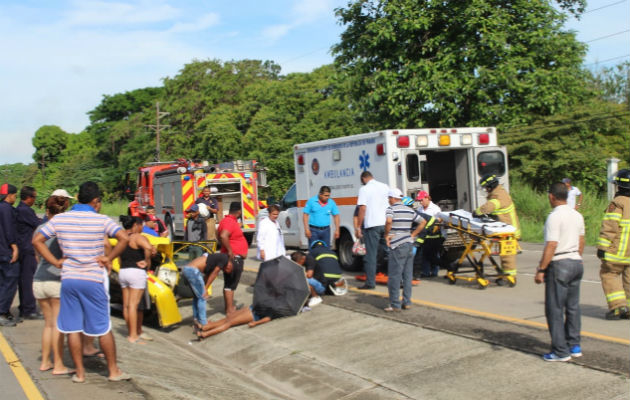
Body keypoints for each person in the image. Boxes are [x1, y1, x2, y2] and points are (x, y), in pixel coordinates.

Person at [32, 181, 131, 383]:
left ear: (77, 198)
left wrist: (55, 261)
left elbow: (37, 240)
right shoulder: (102, 220)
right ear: (96, 201)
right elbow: (124, 238)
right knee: (103, 328)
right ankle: (113, 371)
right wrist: (109, 258)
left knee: (72, 328)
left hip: (69, 279)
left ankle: (79, 373)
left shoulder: (61, 220)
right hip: (92, 279)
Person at [535, 182, 585, 362]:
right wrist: (575, 257)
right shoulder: (577, 215)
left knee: (555, 309)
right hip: (576, 262)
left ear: (551, 196)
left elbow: (552, 244)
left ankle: (560, 351)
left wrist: (541, 268)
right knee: (573, 307)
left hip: (559, 263)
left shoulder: (554, 217)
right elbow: (581, 241)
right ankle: (574, 345)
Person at [32, 194, 74, 374]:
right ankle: (58, 364)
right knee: (58, 325)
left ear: (47, 211)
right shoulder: (63, 229)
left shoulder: (40, 229)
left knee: (48, 324)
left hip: (38, 280)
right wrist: (58, 263)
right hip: (56, 280)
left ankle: (45, 362)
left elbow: (37, 256)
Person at [384, 188, 425, 312]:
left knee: (395, 276)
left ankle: (395, 304)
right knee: (407, 275)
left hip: (397, 245)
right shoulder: (409, 210)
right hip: (409, 244)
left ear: (392, 198)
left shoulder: (391, 209)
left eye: (389, 198)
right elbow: (423, 222)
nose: (388, 200)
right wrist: (413, 235)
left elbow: (388, 221)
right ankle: (407, 302)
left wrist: (387, 234)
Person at [597, 169, 630, 320]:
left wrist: (602, 247)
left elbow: (610, 227)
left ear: (620, 186)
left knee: (608, 274)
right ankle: (628, 309)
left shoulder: (618, 203)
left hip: (616, 252)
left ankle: (617, 307)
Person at [474, 174, 521, 281]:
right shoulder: (499, 192)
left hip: (510, 231)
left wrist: (477, 212)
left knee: (507, 255)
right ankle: (507, 275)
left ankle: (510, 277)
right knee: (505, 253)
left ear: (490, 186)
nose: (485, 190)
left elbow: (489, 206)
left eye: (486, 187)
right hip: (506, 228)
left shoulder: (498, 196)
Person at [118, 216, 154, 344]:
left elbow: (119, 256)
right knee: (134, 305)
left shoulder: (121, 237)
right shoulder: (137, 237)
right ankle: (133, 335)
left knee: (127, 305)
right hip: (136, 272)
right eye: (140, 225)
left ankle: (130, 331)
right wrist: (146, 261)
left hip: (123, 271)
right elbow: (149, 248)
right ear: (135, 225)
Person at [356, 171, 390, 290]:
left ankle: (370, 283)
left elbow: (362, 208)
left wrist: (358, 226)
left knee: (371, 255)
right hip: (386, 223)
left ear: (364, 179)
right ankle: (397, 279)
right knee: (388, 252)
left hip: (372, 225)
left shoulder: (364, 189)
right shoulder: (385, 186)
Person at [16, 186, 43, 320]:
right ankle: (29, 309)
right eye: (34, 197)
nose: (34, 200)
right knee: (28, 280)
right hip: (27, 249)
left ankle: (25, 307)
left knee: (23, 279)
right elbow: (39, 224)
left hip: (22, 248)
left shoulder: (20, 210)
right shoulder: (25, 211)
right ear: (29, 198)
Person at [217, 202, 249, 313]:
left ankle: (229, 308)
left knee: (228, 284)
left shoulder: (225, 221)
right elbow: (223, 235)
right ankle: (230, 309)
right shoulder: (230, 222)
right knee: (230, 284)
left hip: (232, 257)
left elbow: (218, 235)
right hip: (234, 258)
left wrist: (225, 247)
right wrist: (230, 251)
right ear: (239, 211)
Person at [0, 183, 19, 326]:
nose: (15, 198)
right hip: (6, 251)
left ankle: (4, 311)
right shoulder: (6, 209)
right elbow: (8, 229)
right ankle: (2, 313)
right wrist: (14, 247)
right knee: (10, 281)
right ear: (9, 195)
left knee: (2, 282)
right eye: (15, 195)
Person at [196, 305, 271, 339]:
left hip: (254, 314)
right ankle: (205, 327)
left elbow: (269, 317)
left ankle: (205, 334)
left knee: (229, 323)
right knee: (228, 318)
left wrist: (256, 323)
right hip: (252, 307)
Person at [414, 191, 443, 278]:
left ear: (427, 198)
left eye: (422, 200)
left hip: (434, 236)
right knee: (424, 254)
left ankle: (434, 272)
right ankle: (426, 272)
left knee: (434, 254)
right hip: (424, 236)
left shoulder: (435, 208)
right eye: (419, 201)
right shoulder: (420, 209)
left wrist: (430, 227)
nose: (420, 202)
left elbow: (439, 220)